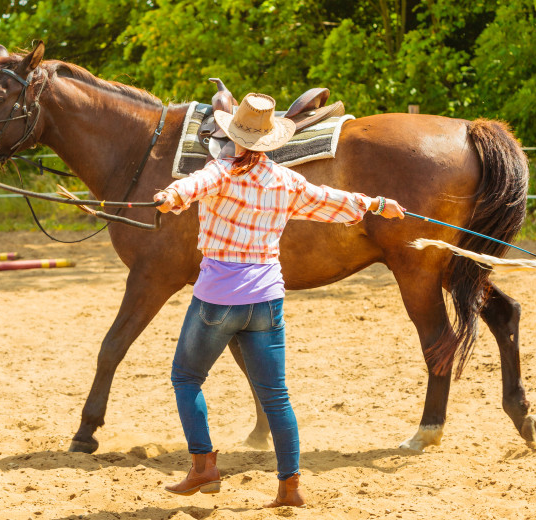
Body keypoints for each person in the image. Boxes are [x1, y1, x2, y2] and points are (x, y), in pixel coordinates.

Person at [153, 93, 404, 508]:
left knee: (186, 377)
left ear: (232, 137)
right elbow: (332, 201)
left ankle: (203, 465)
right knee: (276, 395)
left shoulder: (220, 172)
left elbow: (191, 187)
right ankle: (289, 487)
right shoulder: (285, 181)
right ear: (271, 140)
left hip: (218, 301)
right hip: (267, 300)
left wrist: (170, 196)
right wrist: (377, 203)